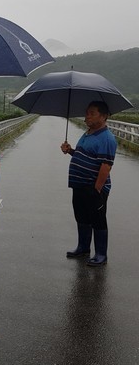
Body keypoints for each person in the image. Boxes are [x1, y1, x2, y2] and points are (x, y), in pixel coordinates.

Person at [60, 101, 117, 266]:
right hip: (79, 186)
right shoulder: (88, 133)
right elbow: (83, 155)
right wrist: (70, 150)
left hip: (94, 188)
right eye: (86, 113)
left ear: (104, 116)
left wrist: (97, 189)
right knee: (82, 218)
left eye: (92, 113)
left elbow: (106, 166)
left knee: (98, 220)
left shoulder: (107, 138)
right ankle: (83, 248)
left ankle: (101, 254)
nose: (87, 117)